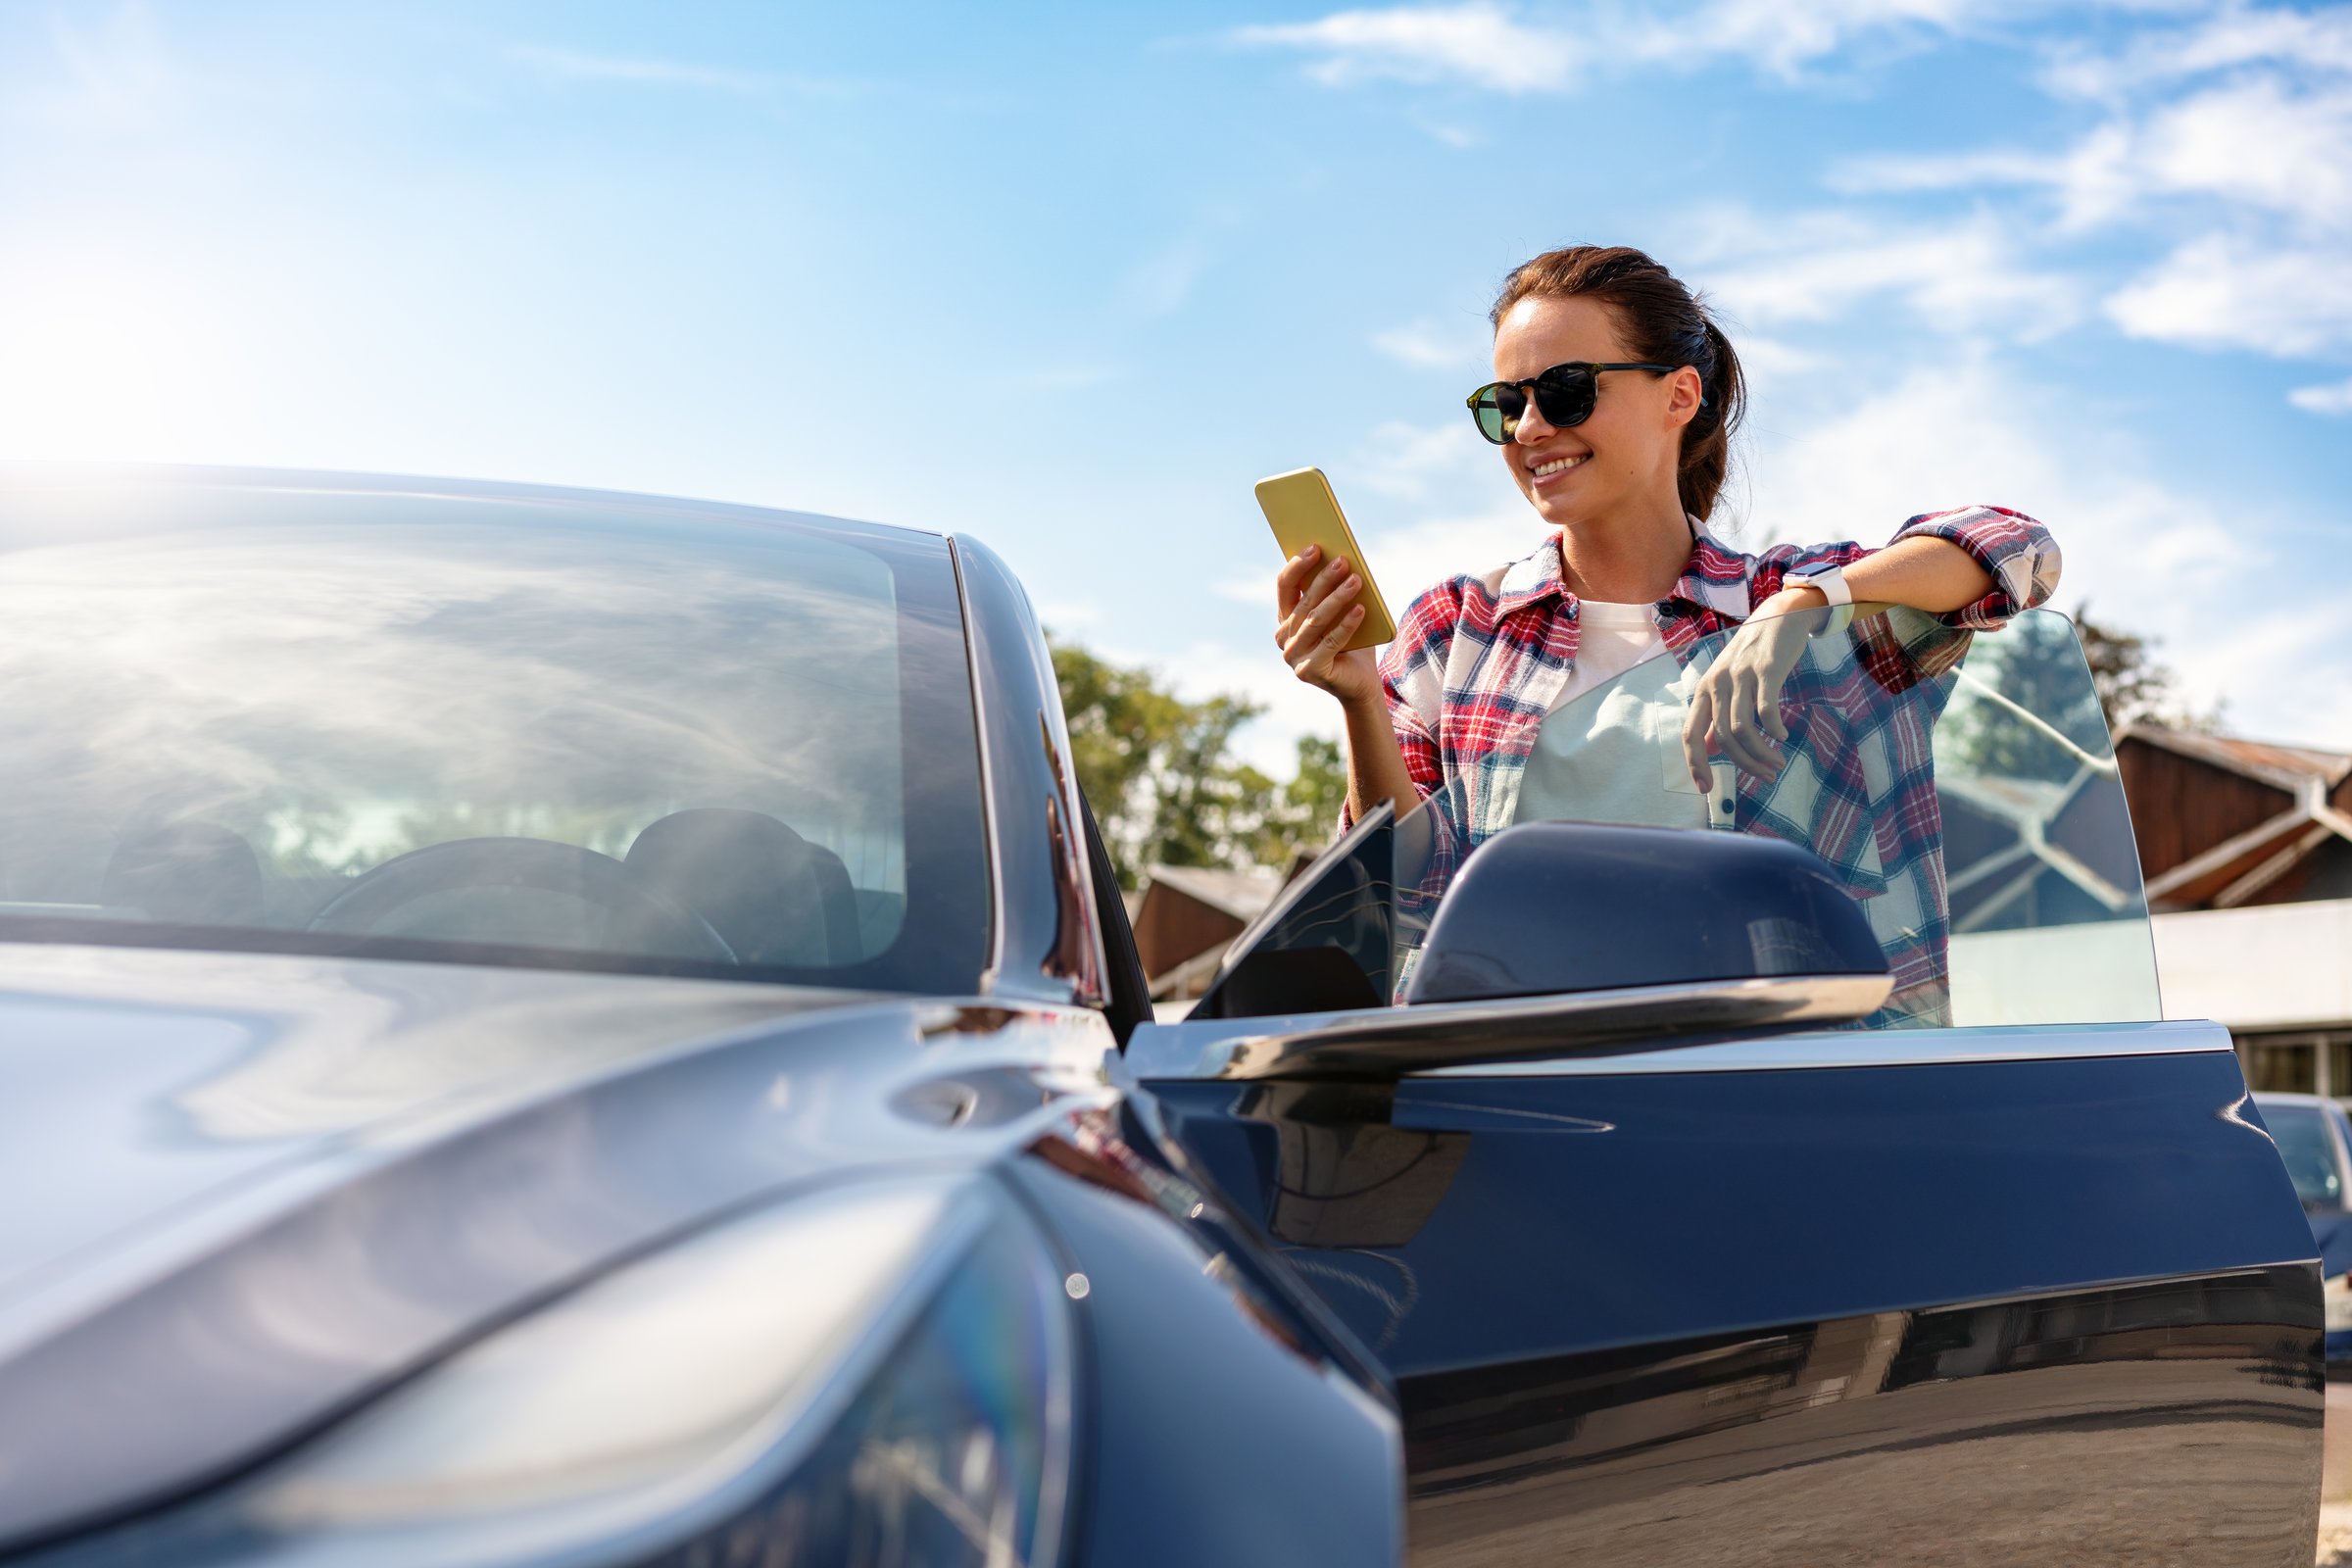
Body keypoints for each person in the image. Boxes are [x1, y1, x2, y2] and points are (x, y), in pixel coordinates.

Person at [1273, 245, 2061, 1026]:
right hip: (1529, 1103)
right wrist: (1357, 703)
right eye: (1505, 404)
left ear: (1679, 395)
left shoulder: (1798, 611)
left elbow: (2018, 551)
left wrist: (1802, 605)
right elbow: (1408, 901)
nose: (1531, 427)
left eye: (1567, 390)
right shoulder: (1456, 630)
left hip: (1796, 1105)